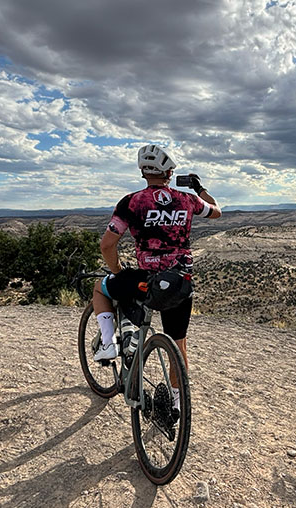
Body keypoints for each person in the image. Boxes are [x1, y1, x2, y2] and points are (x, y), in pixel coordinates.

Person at [91, 145, 221, 391]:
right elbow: (217, 212)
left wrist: (118, 271)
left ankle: (108, 342)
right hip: (180, 281)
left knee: (100, 288)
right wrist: (198, 188)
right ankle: (176, 401)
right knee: (178, 344)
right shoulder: (189, 200)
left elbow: (107, 245)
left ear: (143, 172)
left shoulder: (131, 203)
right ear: (170, 172)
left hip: (144, 280)